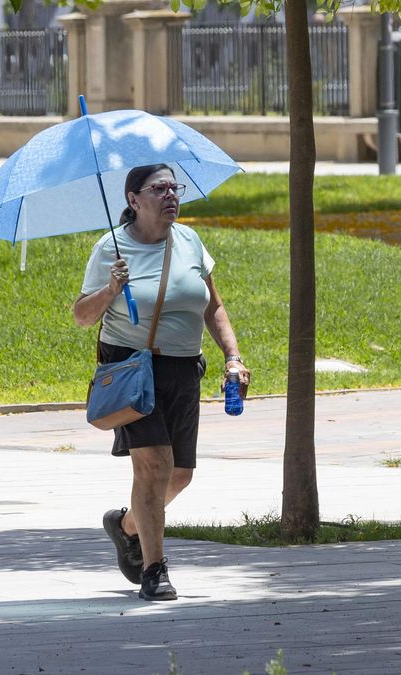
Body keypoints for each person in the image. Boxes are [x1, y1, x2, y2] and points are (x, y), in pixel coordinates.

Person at [73, 163, 251, 601]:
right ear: (134, 200)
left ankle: (126, 524)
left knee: (181, 474)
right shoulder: (110, 248)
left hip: (185, 368)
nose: (171, 195)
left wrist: (233, 356)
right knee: (153, 465)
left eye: (175, 188)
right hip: (134, 370)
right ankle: (155, 569)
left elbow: (213, 307)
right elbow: (81, 315)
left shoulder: (189, 240)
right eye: (159, 189)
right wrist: (110, 290)